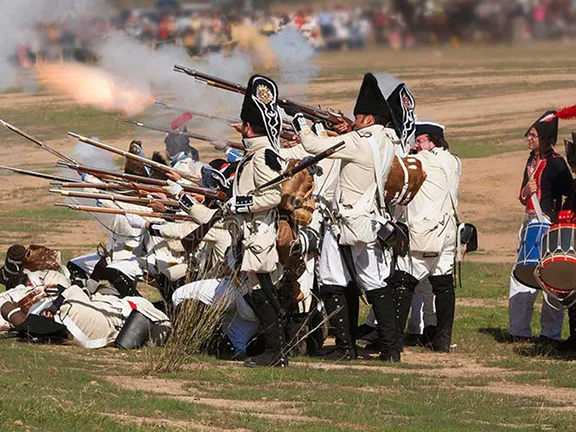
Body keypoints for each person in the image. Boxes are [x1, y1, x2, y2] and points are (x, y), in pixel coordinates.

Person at [291, 72, 398, 361]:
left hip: (348, 221)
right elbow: (362, 137)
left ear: (367, 119)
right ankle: (376, 348)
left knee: (348, 281)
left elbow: (314, 147)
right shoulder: (386, 139)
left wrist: (301, 123)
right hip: (361, 219)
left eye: (358, 116)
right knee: (347, 280)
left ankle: (354, 348)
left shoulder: (359, 141)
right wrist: (348, 127)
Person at [394, 121, 461, 355]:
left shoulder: (424, 160)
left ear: (432, 141)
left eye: (420, 140)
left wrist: (410, 155)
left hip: (426, 227)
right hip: (448, 229)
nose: (416, 145)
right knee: (443, 284)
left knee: (405, 280)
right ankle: (442, 340)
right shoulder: (454, 161)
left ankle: (392, 341)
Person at [509, 111, 573, 342]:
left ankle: (550, 334)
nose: (529, 138)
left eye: (533, 135)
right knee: (520, 278)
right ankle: (518, 331)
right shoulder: (531, 160)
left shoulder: (557, 164)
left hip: (549, 224)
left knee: (552, 280)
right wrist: (526, 192)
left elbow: (571, 192)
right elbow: (522, 195)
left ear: (546, 138)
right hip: (529, 223)